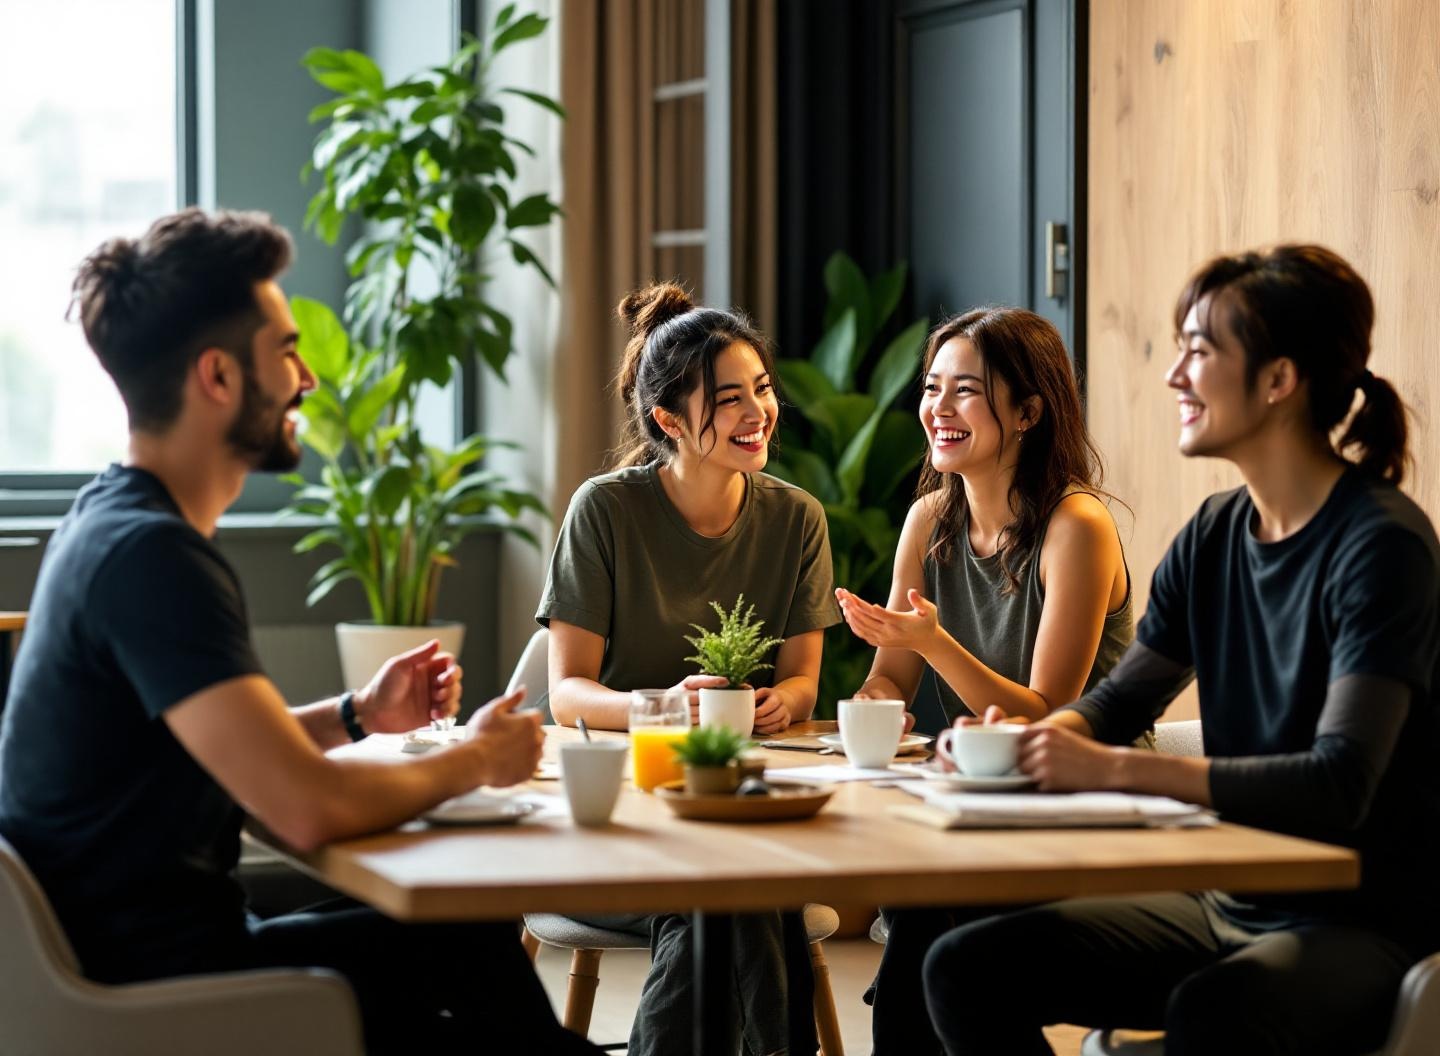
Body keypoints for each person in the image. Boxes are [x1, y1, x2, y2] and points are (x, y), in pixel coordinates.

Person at [0, 208, 597, 1055]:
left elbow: (218, 751)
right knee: (465, 959)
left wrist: (359, 714)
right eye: (285, 351)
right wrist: (478, 757)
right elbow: (306, 809)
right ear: (218, 376)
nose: (307, 378)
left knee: (463, 941)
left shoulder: (110, 520)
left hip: (130, 962)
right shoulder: (152, 557)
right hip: (153, 997)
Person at [921, 245, 1440, 1056]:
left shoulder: (1380, 543)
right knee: (963, 968)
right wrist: (1026, 746)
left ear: (1278, 379)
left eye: (1199, 350)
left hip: (1362, 919)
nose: (1174, 375)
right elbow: (1117, 703)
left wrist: (1114, 769)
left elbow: (1338, 785)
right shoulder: (1214, 534)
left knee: (1215, 1010)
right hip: (1230, 901)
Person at [537, 282, 842, 1055]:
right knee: (730, 901)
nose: (758, 412)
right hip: (621, 817)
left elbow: (804, 681)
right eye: (729, 399)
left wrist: (782, 702)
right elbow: (566, 693)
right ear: (669, 421)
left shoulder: (796, 518)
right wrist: (663, 707)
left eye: (762, 389)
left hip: (737, 810)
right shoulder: (605, 510)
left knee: (734, 892)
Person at [834, 306, 1136, 1054]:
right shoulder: (928, 521)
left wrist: (933, 644)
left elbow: (1048, 713)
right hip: (982, 798)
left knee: (929, 918)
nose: (938, 407)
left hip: (1088, 799)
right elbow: (891, 677)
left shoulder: (1077, 526)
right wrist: (872, 705)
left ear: (1028, 412)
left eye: (965, 390)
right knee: (923, 910)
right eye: (931, 387)